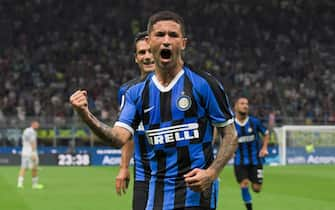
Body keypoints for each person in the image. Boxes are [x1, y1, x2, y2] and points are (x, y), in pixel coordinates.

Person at [70, 10, 237, 210]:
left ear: (183, 43)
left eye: (173, 35)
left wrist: (211, 173)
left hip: (195, 194)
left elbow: (230, 135)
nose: (166, 41)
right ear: (149, 42)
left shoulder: (204, 84)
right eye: (160, 35)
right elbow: (117, 138)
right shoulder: (135, 93)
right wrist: (86, 116)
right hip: (154, 193)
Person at [115, 31, 155, 210]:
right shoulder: (127, 91)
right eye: (142, 52)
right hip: (143, 175)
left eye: (150, 51)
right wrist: (124, 167)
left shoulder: (182, 86)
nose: (147, 57)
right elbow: (127, 135)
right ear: (136, 58)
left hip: (177, 175)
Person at [233, 97, 270, 210]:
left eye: (247, 104)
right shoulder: (231, 125)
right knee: (244, 183)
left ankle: (253, 181)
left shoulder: (254, 122)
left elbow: (266, 133)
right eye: (242, 103)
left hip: (256, 160)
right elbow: (226, 139)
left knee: (256, 189)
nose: (245, 106)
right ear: (236, 107)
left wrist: (264, 148)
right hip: (240, 161)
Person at [17, 120, 44, 189]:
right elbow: (32, 143)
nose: (38, 126)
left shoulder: (26, 130)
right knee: (34, 168)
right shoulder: (32, 132)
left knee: (23, 168)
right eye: (37, 124)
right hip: (30, 152)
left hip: (24, 151)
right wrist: (33, 153)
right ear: (33, 124)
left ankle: (20, 184)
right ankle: (35, 185)